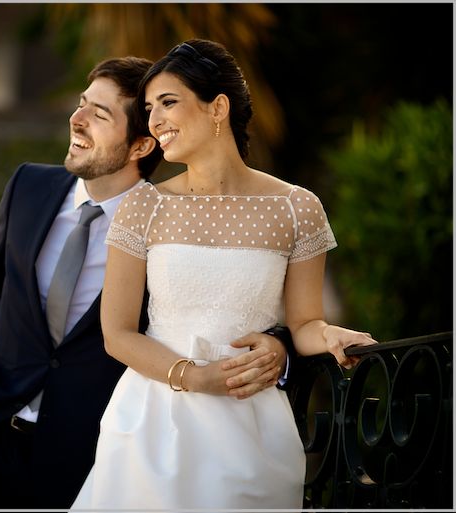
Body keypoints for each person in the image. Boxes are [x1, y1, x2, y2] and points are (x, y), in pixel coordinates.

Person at [0, 56, 294, 510]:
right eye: (81, 104)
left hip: (75, 459)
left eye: (100, 114)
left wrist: (280, 348)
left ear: (139, 147)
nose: (77, 119)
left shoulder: (169, 222)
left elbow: (222, 302)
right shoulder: (29, 186)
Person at [71, 39, 378, 511]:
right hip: (152, 424)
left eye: (168, 102)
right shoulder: (144, 206)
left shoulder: (297, 208)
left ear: (218, 107)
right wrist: (195, 378)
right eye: (150, 108)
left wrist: (331, 335)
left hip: (251, 423)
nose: (154, 121)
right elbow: (117, 333)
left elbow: (304, 324)